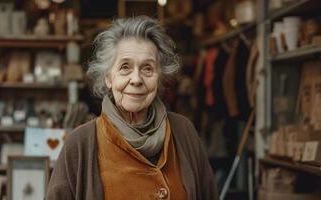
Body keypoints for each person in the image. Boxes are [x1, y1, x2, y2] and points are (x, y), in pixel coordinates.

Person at [46, 16, 218, 200]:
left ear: (159, 78)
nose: (136, 79)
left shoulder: (184, 132)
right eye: (125, 67)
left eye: (147, 68)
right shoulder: (80, 144)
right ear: (108, 78)